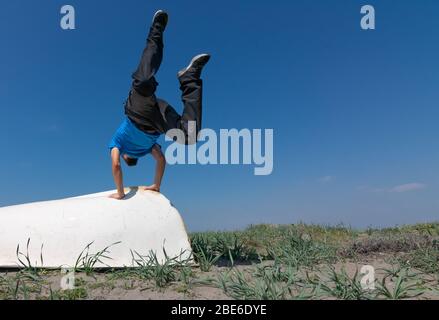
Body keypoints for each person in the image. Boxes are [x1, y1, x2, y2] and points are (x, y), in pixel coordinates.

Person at [108, 10, 211, 199]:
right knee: (144, 79)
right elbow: (115, 164)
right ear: (126, 156)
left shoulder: (146, 148)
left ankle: (159, 32)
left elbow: (161, 160)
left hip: (151, 119)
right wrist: (123, 190)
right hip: (146, 115)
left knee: (189, 135)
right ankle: (188, 77)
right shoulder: (120, 144)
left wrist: (154, 184)